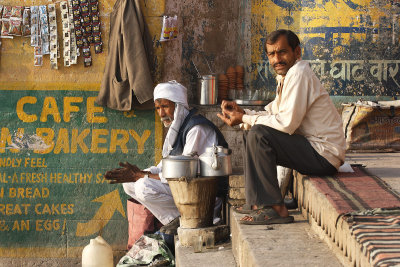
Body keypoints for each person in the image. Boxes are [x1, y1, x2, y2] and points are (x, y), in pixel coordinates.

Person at [217, 29, 346, 225]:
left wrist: (245, 117)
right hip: (311, 149)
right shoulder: (287, 76)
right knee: (251, 131)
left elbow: (286, 123)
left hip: (323, 155)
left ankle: (275, 208)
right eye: (271, 54)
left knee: (259, 134)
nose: (277, 59)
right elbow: (272, 114)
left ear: (297, 52)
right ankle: (256, 203)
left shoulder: (299, 73)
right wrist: (244, 114)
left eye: (282, 52)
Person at [105, 80, 228, 233]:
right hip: (185, 188)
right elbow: (164, 168)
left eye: (165, 106)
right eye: (157, 108)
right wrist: (141, 173)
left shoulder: (197, 128)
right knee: (129, 184)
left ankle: (190, 220)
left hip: (205, 197)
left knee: (143, 187)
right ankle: (177, 220)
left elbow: (183, 174)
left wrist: (142, 176)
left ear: (178, 106)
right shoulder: (177, 129)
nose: (161, 113)